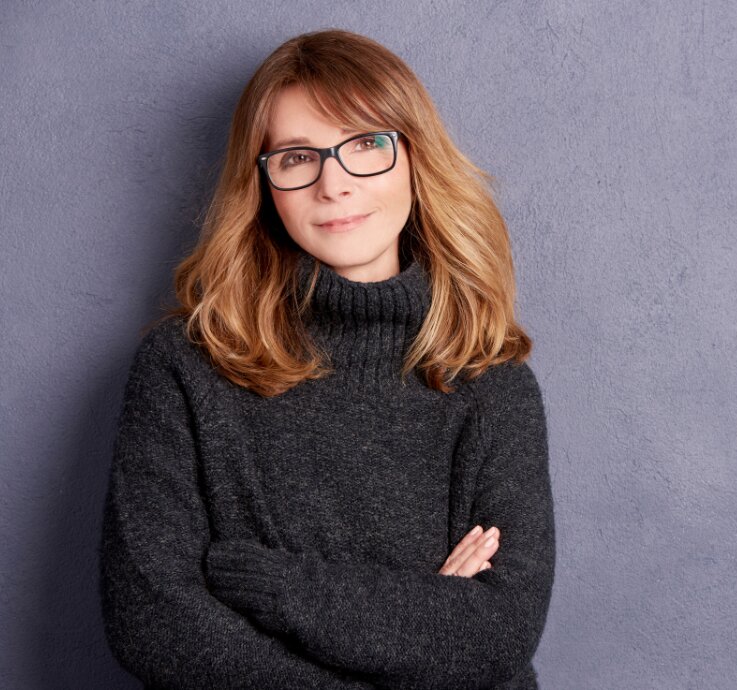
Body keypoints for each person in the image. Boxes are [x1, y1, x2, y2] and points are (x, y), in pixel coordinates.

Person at [98, 28, 556, 690]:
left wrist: (276, 586)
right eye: (295, 157)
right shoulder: (185, 366)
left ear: (414, 159)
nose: (333, 184)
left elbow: (496, 633)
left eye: (366, 144)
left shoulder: (491, 381)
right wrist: (422, 625)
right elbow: (155, 626)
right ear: (263, 183)